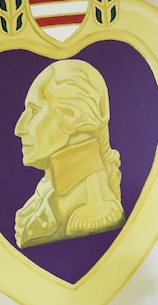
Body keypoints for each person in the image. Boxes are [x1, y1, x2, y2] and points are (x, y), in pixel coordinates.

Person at [14, 59, 125, 248]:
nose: (19, 128)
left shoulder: (93, 211)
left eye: (33, 111)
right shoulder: (48, 193)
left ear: (74, 115)